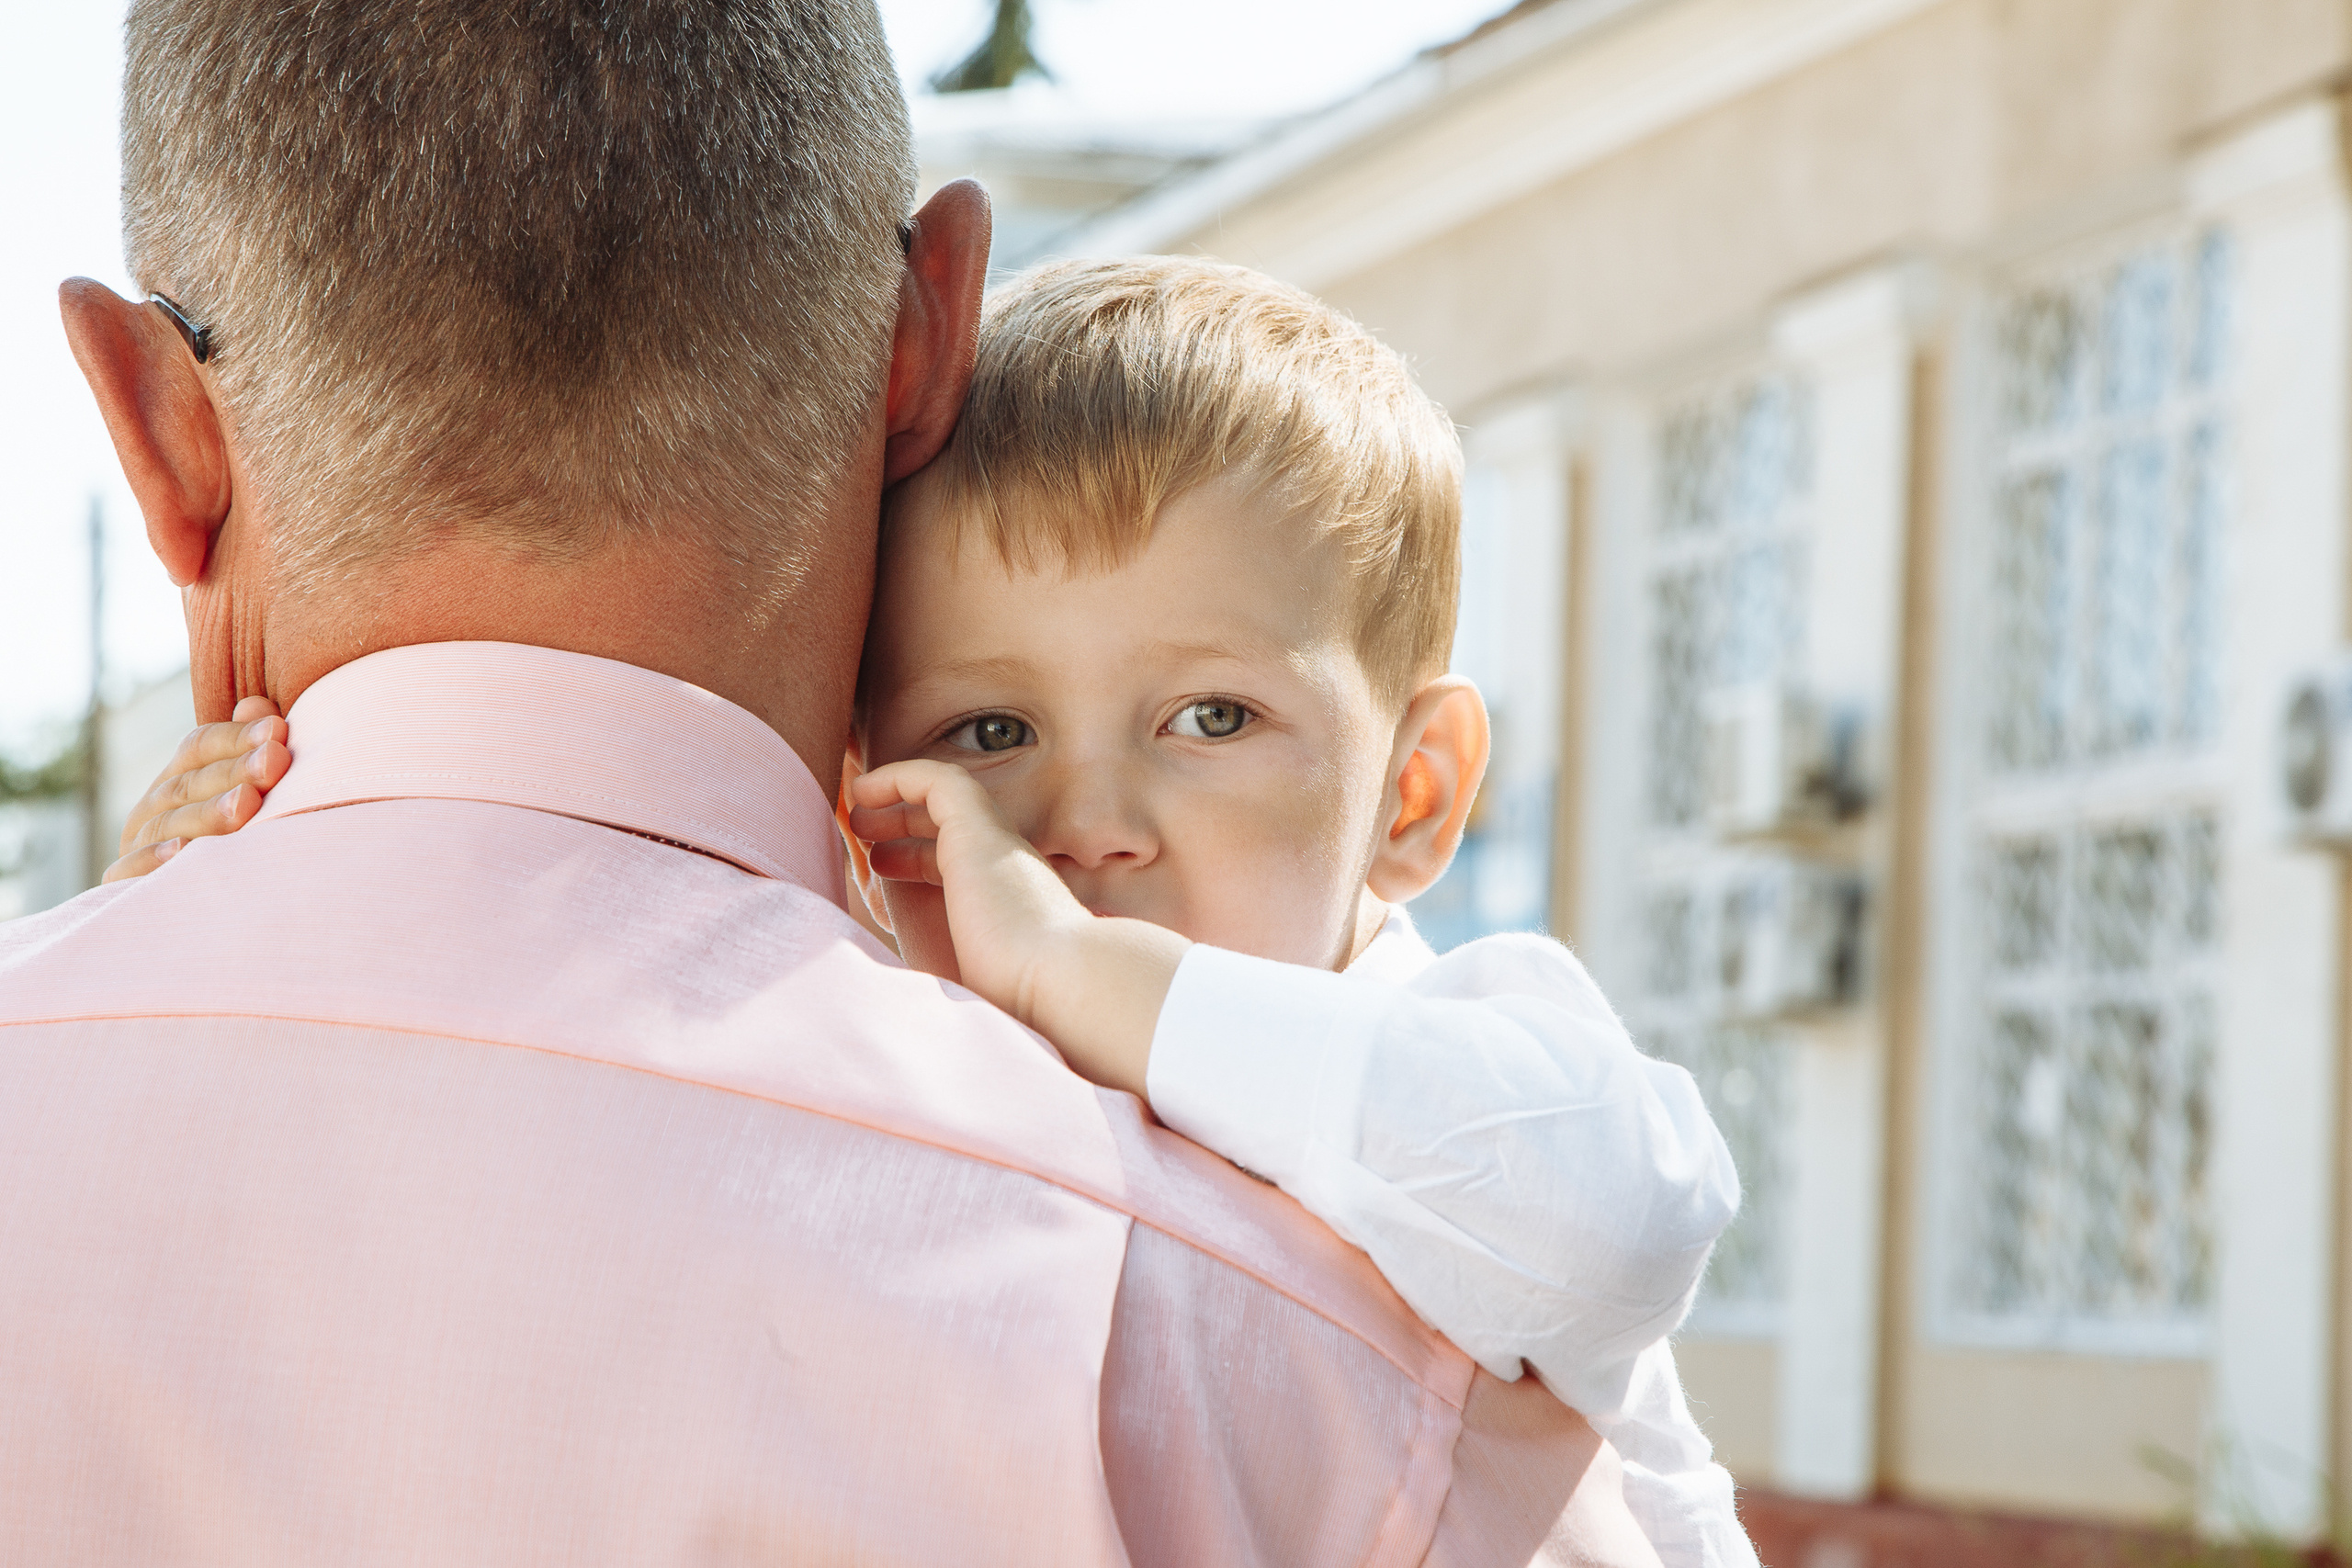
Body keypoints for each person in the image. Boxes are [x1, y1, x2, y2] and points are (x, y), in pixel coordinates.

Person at [0, 2, 1664, 1563]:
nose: (1088, 835)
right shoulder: (1358, 1390)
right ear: (932, 332)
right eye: (992, 731)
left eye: (1209, 717)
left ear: (154, 426)